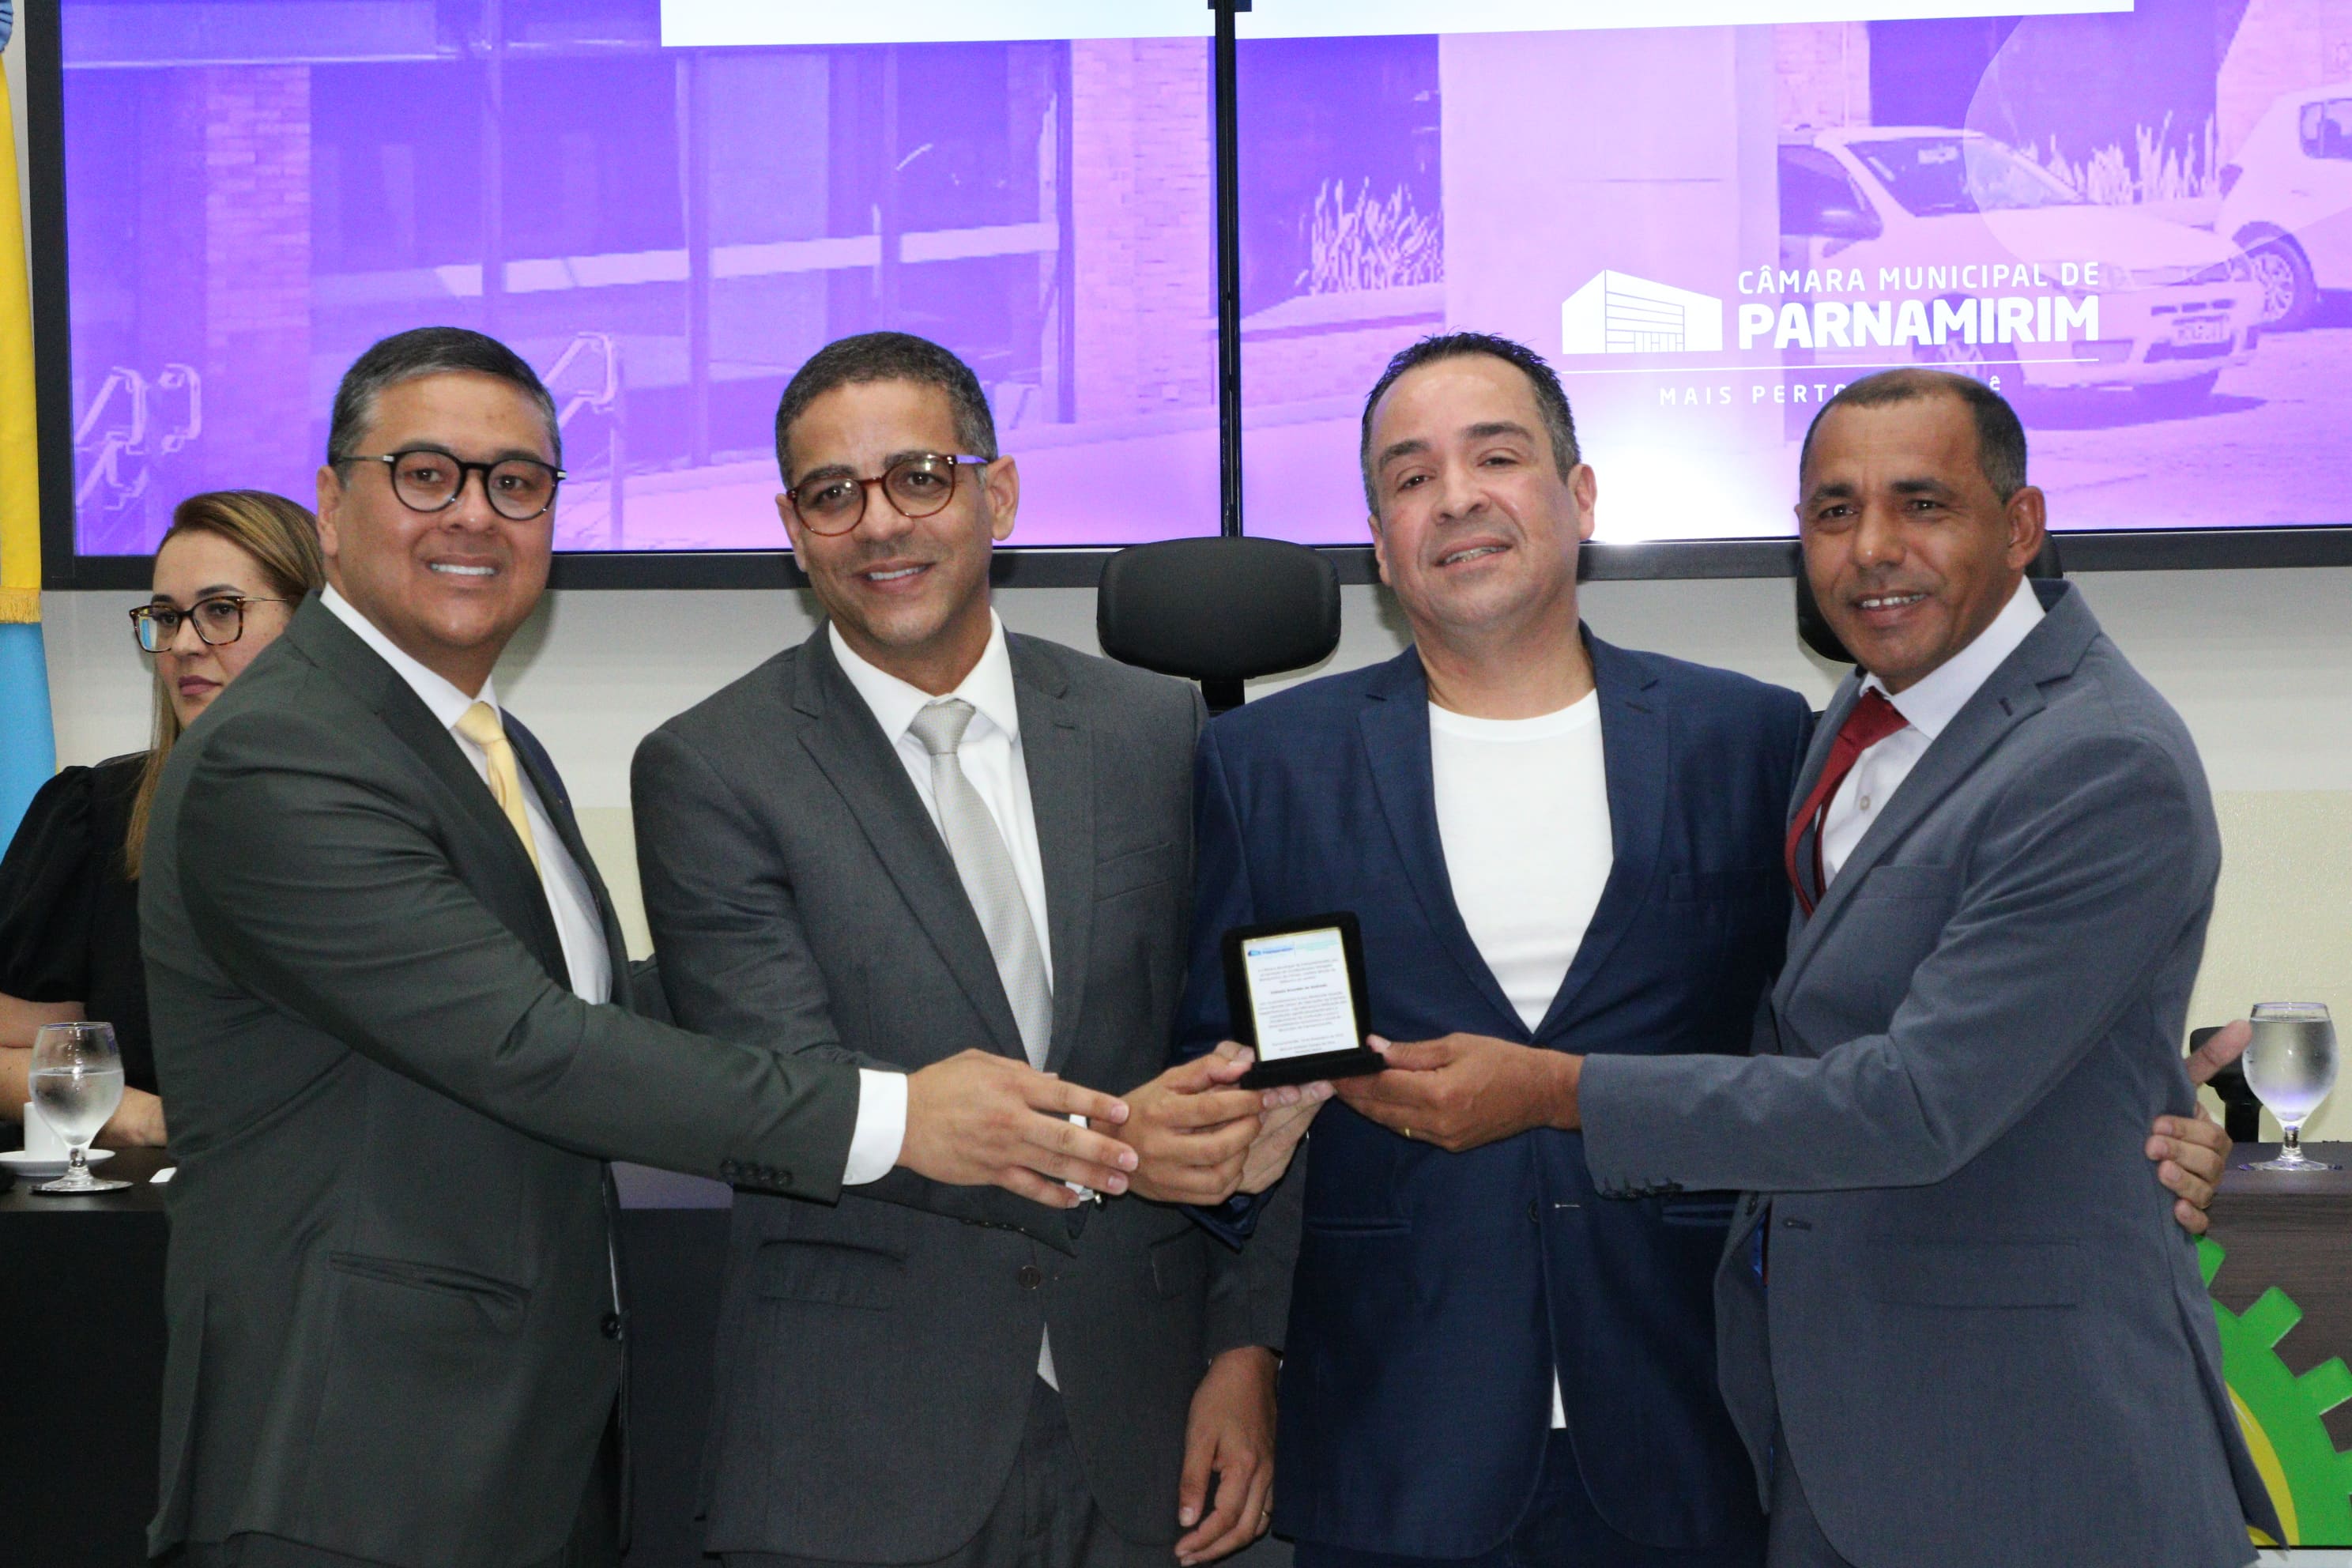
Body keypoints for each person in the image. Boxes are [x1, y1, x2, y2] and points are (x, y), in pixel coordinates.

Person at [1175, 338, 2238, 1568]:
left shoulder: (1752, 740)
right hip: (1395, 1438)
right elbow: (1248, 1088)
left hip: (1697, 1422)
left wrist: (2123, 1112)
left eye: (1497, 458)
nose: (1457, 497)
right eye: (1412, 478)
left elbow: (1892, 1041)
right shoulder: (1266, 768)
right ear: (1378, 539)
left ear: (1580, 499)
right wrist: (1239, 1345)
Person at [140, 327, 1146, 1568]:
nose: (475, 514)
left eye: (517, 482)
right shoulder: (280, 754)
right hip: (345, 1467)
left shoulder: (483, 745)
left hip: (502, 1450)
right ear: (332, 509)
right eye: (426, 475)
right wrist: (902, 1115)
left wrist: (833, 960)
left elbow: (598, 1006)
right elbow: (530, 1045)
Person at [1543, 368, 2275, 1567]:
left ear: (2021, 526)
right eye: (1834, 512)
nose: (1872, 548)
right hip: (1843, 1438)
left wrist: (1560, 1092)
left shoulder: (2104, 757)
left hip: (2038, 1452)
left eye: (1921, 504)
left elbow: (1919, 1101)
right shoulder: (1863, 717)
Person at [631, 331, 1296, 1568]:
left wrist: (1248, 1350)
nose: (880, 522)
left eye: (921, 476)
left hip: (1149, 1426)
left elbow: (1256, 1062)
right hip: (860, 1444)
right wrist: (1118, 1147)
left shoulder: (1154, 731)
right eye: (833, 493)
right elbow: (793, 1096)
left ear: (999, 493)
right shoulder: (712, 769)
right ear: (792, 530)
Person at [0, 489, 324, 1149]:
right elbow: (13, 1048)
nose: (183, 644)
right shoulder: (98, 815)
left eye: (221, 611)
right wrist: (145, 1117)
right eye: (168, 617)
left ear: (314, 627)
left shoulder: (401, 813)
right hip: (150, 1198)